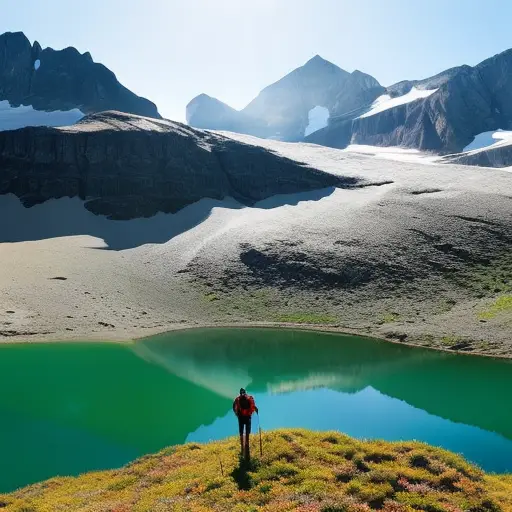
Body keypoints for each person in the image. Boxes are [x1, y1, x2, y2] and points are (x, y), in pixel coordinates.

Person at [233, 388, 258, 457]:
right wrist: (254, 411)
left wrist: (236, 413)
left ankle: (242, 445)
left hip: (240, 417)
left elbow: (234, 407)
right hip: (248, 417)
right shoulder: (249, 398)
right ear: (245, 392)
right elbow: (253, 407)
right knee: (247, 431)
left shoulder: (237, 399)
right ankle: (247, 443)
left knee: (241, 431)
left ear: (240, 393)